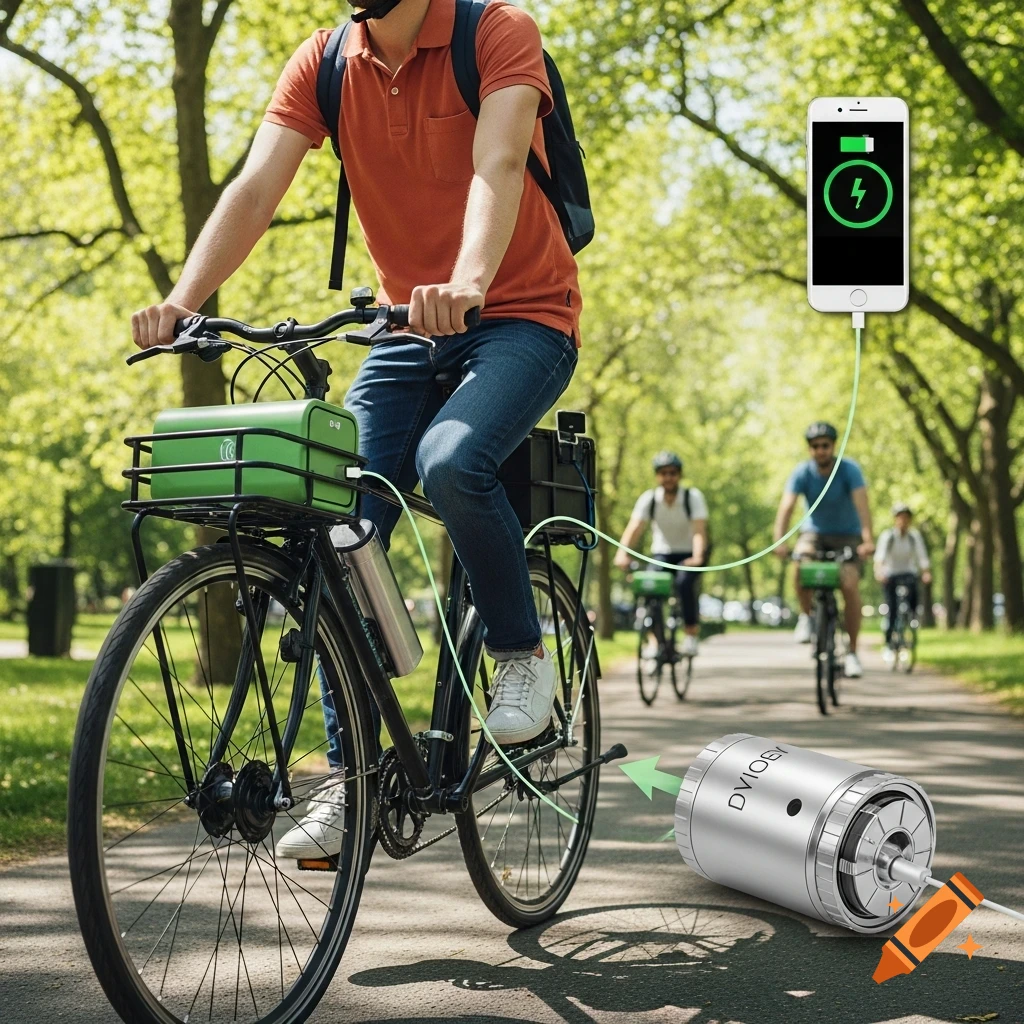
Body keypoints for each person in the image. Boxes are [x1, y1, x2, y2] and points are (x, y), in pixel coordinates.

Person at [131, 0, 581, 859]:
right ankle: (351, 781)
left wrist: (468, 281)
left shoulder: (496, 32)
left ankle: (523, 655)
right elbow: (255, 187)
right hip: (404, 327)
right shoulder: (326, 62)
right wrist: (184, 302)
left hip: (523, 315)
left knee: (451, 460)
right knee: (335, 520)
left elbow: (498, 164)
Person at [773, 422, 875, 678]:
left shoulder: (849, 470)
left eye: (825, 445)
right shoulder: (802, 472)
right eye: (815, 446)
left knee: (849, 584)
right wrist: (779, 540)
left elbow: (862, 506)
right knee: (800, 562)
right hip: (814, 534)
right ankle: (806, 617)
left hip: (848, 535)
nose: (820, 450)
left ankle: (852, 653)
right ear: (809, 449)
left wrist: (867, 540)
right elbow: (786, 507)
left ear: (833, 446)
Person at [614, 452, 709, 656]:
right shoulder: (649, 499)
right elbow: (635, 528)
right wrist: (622, 553)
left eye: (672, 473)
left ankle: (691, 635)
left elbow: (699, 531)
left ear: (679, 475)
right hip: (662, 553)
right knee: (650, 587)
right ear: (657, 476)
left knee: (684, 584)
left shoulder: (692, 497)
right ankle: (655, 642)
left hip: (689, 553)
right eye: (663, 473)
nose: (668, 477)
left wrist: (697, 557)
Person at [875, 503, 932, 657]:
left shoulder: (914, 537)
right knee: (892, 609)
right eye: (901, 517)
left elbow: (922, 556)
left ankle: (912, 621)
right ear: (895, 519)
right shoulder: (888, 536)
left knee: (914, 596)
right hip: (891, 573)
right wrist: (879, 572)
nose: (904, 521)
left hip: (908, 572)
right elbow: (879, 558)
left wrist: (926, 572)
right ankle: (889, 643)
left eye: (907, 518)